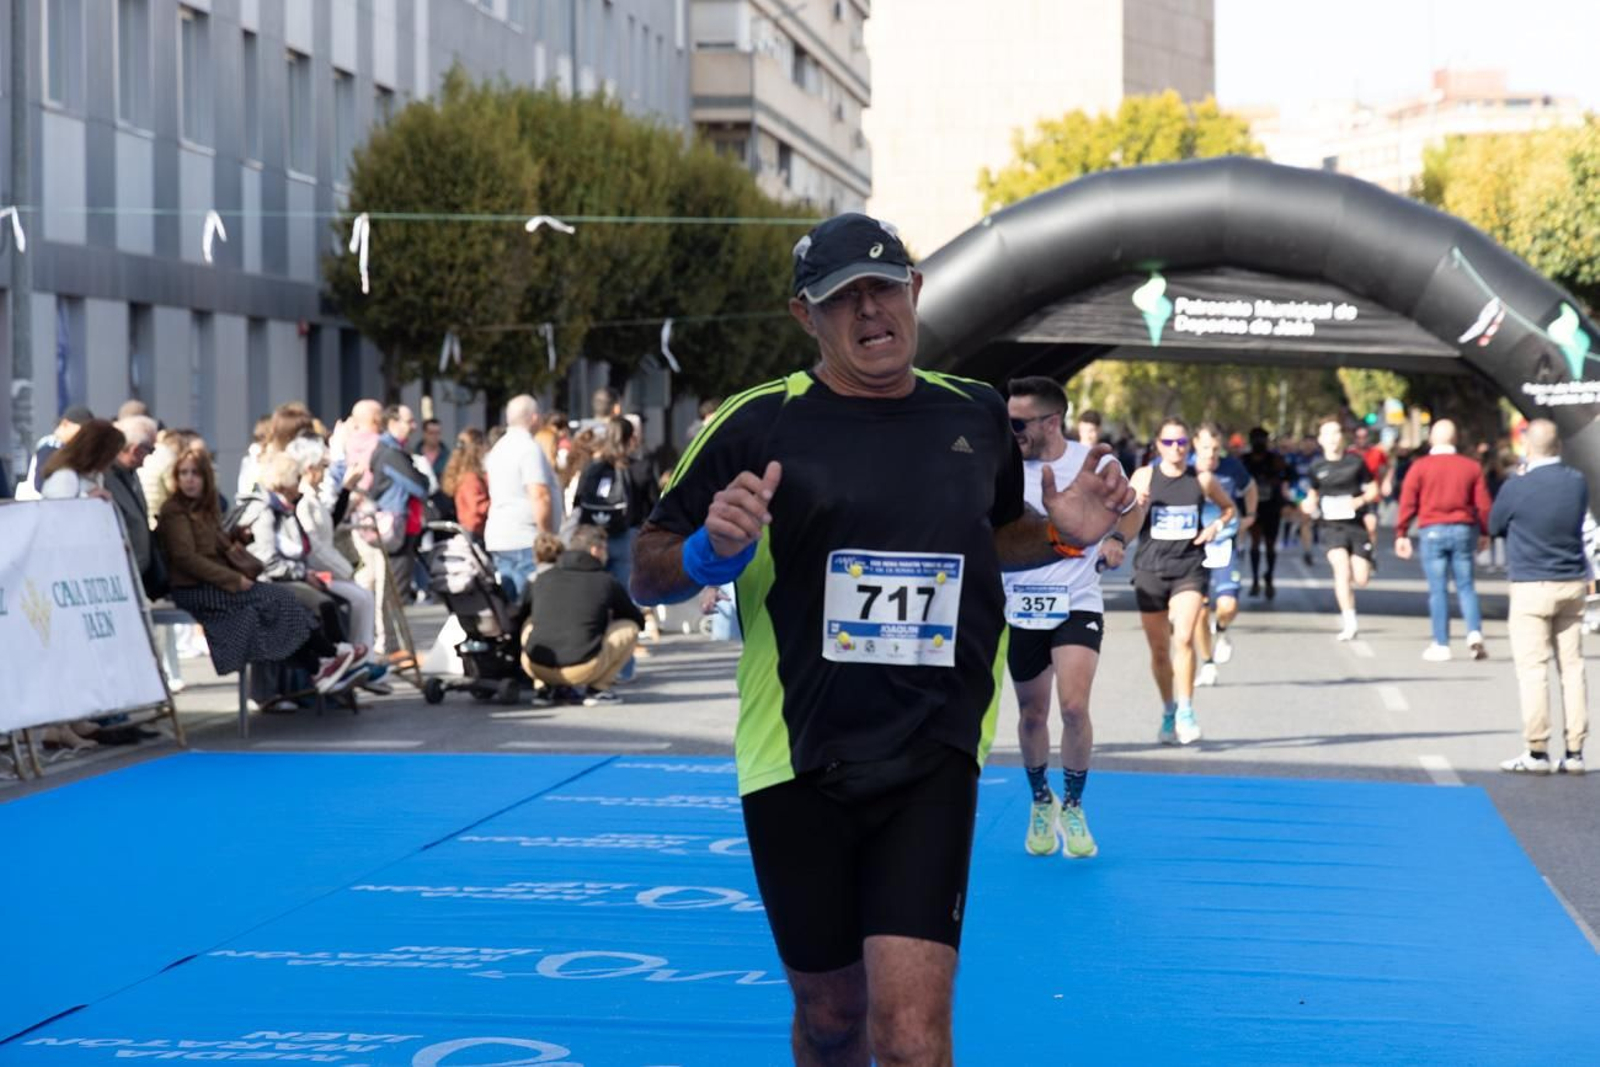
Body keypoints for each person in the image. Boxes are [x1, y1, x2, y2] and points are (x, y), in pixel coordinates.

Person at [630, 212, 1133, 1063]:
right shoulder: (758, 424)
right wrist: (707, 551)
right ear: (806, 317)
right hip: (796, 755)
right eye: (843, 297)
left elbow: (992, 532)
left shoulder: (971, 413)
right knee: (832, 1018)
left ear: (917, 292)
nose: (870, 311)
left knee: (910, 1033)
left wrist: (1059, 531)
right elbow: (644, 569)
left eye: (885, 288)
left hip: (932, 750)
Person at [1003, 377, 1142, 859]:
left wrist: (1116, 540)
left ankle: (1076, 804)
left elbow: (1132, 509)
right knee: (1031, 714)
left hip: (1077, 599)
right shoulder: (1001, 467)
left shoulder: (1093, 463)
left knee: (1074, 708)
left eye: (1019, 423)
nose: (1012, 431)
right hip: (1020, 603)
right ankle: (1042, 799)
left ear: (1050, 421)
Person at [155, 448, 358, 692]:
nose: (189, 479)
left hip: (215, 581)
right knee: (272, 603)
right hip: (195, 587)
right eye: (184, 473)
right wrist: (233, 579)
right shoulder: (175, 511)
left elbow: (214, 544)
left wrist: (236, 537)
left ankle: (323, 661)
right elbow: (186, 558)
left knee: (279, 601)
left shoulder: (204, 508)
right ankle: (324, 659)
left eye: (195, 474)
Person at [1127, 418, 1236, 745]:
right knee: (1160, 650)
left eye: (1182, 443)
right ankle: (1168, 709)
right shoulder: (1144, 476)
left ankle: (1187, 710)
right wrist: (1138, 505)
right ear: (1157, 445)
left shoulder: (1202, 479)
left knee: (1184, 639)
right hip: (1150, 568)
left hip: (1189, 567)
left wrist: (1214, 527)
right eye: (1169, 443)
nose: (1176, 449)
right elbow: (1126, 520)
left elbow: (1228, 509)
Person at [1488, 420, 1588, 774]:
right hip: (1572, 583)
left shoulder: (1517, 486)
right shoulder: (1576, 483)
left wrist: (1519, 476)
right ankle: (1575, 752)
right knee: (1572, 668)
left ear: (1528, 447)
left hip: (1531, 584)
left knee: (1533, 670)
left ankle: (1537, 751)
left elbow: (1495, 526)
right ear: (1559, 446)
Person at [1395, 418, 1493, 661]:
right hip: (1462, 529)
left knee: (1438, 590)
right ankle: (1474, 632)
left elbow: (1408, 500)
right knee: (1466, 586)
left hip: (1432, 530)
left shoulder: (1420, 467)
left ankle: (1441, 643)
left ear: (1431, 439)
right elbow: (1483, 505)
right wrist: (1484, 532)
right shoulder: (1471, 467)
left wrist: (1402, 532)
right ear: (1456, 439)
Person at [285, 436, 381, 682]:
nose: (326, 473)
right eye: (323, 467)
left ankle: (362, 658)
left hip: (324, 570)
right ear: (310, 469)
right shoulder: (304, 501)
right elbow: (314, 547)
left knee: (362, 598)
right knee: (360, 598)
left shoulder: (311, 497)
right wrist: (345, 570)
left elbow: (329, 525)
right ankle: (356, 659)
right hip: (316, 572)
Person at [520, 524, 645, 706]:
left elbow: (522, 616)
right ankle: (598, 690)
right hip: (582, 668)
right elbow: (637, 620)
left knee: (530, 624)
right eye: (605, 550)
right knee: (629, 628)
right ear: (595, 550)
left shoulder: (543, 577)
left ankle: (545, 689)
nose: (607, 556)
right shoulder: (605, 582)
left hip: (536, 666)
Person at [1192, 423, 1256, 686]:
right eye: (1206, 448)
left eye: (1216, 449)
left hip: (1224, 541)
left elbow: (1250, 488)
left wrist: (1249, 516)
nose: (1211, 454)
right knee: (1199, 608)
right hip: (1194, 545)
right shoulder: (1185, 467)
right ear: (1195, 444)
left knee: (1226, 605)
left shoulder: (1232, 468)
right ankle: (1207, 664)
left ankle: (1221, 629)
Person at [1305, 418, 1379, 641]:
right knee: (1341, 569)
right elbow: (1312, 494)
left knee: (1362, 578)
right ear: (1320, 440)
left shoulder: (1355, 462)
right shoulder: (1316, 467)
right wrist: (1307, 504)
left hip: (1355, 525)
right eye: (1327, 434)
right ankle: (1350, 622)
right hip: (1331, 526)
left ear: (1342, 437)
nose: (1332, 438)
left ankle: (1370, 560)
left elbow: (1373, 489)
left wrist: (1360, 500)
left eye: (1336, 433)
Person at [484, 394, 563, 599]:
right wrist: (546, 536)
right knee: (529, 600)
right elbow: (539, 495)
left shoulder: (499, 448)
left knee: (511, 601)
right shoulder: (528, 449)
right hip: (525, 538)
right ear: (535, 417)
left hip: (501, 536)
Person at [107, 416, 160, 593]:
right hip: (119, 572)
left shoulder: (131, 474)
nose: (149, 457)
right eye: (150, 450)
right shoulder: (106, 476)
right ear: (136, 449)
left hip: (136, 570)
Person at [1241, 426, 1289, 599]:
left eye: (1262, 439)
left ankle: (1268, 577)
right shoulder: (1245, 460)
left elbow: (1287, 477)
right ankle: (1255, 580)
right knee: (1254, 543)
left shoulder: (1275, 459)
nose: (1259, 443)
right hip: (1253, 508)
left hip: (1272, 508)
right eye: (1256, 439)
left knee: (1270, 545)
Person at [15, 405, 94, 500]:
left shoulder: (67, 448)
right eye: (83, 431)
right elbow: (41, 483)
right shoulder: (51, 446)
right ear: (66, 424)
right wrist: (84, 495)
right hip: (42, 507)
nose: (85, 436)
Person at [39, 418, 124, 502]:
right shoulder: (65, 475)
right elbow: (57, 509)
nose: (112, 460)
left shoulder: (96, 475)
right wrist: (88, 498)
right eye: (111, 455)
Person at [442, 427, 490, 538]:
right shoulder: (470, 478)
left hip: (469, 529)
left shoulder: (464, 474)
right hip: (474, 531)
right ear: (478, 448)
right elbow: (477, 508)